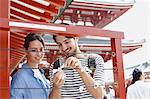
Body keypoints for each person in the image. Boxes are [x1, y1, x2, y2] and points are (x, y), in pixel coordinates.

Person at [10, 33, 65, 99]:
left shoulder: (40, 73)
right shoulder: (19, 77)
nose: (39, 54)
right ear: (26, 51)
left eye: (41, 49)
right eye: (34, 50)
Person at [50, 33, 105, 99]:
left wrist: (81, 71)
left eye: (67, 42)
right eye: (59, 44)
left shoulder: (94, 60)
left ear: (76, 38)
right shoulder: (56, 66)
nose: (64, 48)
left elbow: (99, 95)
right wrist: (56, 86)